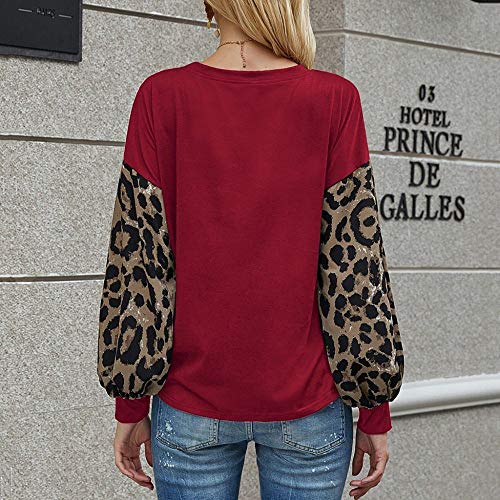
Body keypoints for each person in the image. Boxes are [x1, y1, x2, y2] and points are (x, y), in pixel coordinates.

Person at [98, 1, 404, 499]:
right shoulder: (333, 99)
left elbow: (138, 263)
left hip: (190, 404)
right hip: (308, 405)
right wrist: (374, 409)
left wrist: (130, 405)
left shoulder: (161, 96)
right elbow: (355, 264)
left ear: (209, 5)